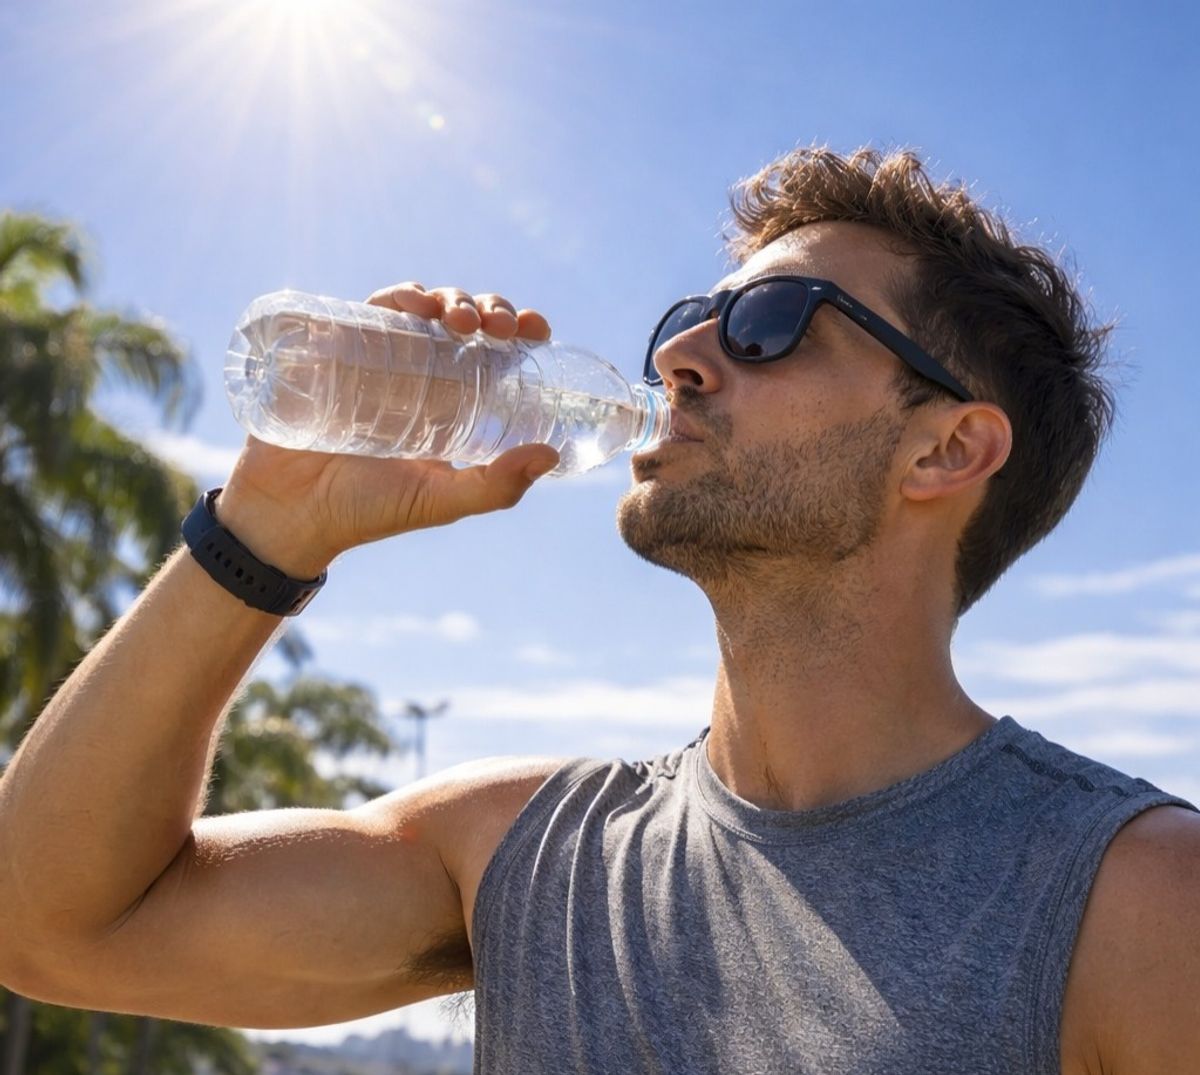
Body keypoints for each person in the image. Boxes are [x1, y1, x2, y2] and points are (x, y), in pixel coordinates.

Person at [0, 146, 1196, 1075]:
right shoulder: (520, 850)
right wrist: (269, 527)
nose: (681, 353)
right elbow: (51, 923)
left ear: (945, 447)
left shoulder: (1129, 897)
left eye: (768, 326)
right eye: (689, 314)